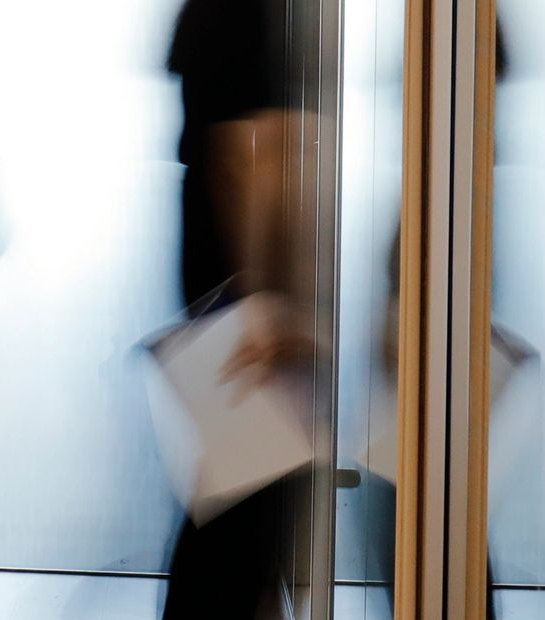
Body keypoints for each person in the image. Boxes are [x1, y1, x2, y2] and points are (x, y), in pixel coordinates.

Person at [163, 0, 309, 617]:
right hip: (243, 279)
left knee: (239, 488)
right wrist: (265, 298)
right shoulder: (252, 15)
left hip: (224, 271)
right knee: (242, 500)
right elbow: (250, 153)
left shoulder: (209, 12)